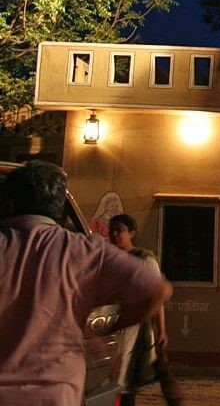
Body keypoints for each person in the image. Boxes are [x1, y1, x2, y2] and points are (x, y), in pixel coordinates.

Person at [0, 161, 172, 404]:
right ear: (60, 208)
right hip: (56, 394)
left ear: (10, 203)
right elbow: (157, 289)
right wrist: (109, 328)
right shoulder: (85, 250)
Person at [108, 213, 185, 406]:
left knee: (127, 375)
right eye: (112, 229)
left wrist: (162, 330)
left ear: (132, 233)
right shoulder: (108, 257)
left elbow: (157, 296)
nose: (115, 234)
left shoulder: (144, 259)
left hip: (136, 327)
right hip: (114, 323)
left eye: (120, 230)